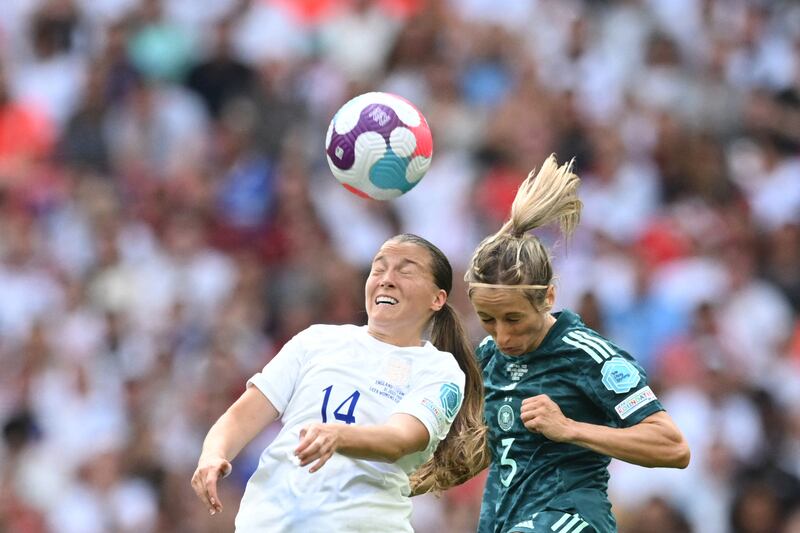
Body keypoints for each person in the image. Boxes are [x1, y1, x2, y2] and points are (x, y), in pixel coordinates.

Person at [191, 233, 487, 532]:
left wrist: (340, 436)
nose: (386, 279)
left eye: (405, 270)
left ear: (437, 298)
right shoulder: (316, 340)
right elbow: (242, 415)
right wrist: (213, 454)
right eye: (378, 268)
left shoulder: (440, 370)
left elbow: (398, 440)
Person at [464, 155, 691, 533]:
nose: (502, 336)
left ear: (549, 297)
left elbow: (672, 446)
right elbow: (497, 451)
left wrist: (570, 428)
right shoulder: (488, 357)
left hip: (573, 519)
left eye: (514, 319)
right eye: (488, 320)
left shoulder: (588, 356)